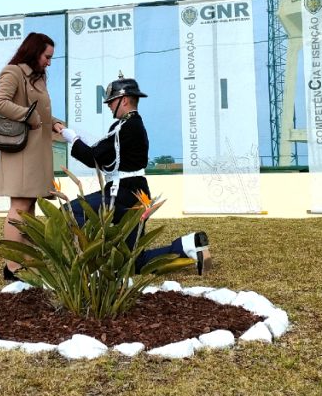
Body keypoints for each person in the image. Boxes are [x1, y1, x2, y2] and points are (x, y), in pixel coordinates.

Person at [53, 74, 212, 275]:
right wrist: (76, 139)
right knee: (133, 262)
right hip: (135, 192)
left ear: (125, 100)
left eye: (112, 101)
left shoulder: (126, 127)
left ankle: (92, 261)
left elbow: (95, 157)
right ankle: (189, 244)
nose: (109, 105)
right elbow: (104, 153)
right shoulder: (130, 125)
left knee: (69, 212)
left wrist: (72, 138)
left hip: (123, 194)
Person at [0, 32, 60, 281]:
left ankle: (27, 262)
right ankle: (12, 266)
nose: (49, 62)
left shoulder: (39, 78)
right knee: (19, 207)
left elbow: (39, 112)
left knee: (29, 208)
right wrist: (30, 117)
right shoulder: (13, 72)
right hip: (20, 151)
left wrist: (55, 123)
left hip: (36, 151)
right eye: (47, 56)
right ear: (34, 52)